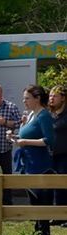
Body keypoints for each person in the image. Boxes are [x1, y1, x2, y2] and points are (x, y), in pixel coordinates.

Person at [12, 84, 55, 235]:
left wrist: (25, 141)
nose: (24, 101)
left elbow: (49, 140)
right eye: (24, 98)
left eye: (27, 98)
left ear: (37, 98)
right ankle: (37, 233)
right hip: (28, 164)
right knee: (34, 201)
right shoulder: (30, 114)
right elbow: (27, 135)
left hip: (40, 165)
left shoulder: (44, 116)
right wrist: (16, 137)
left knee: (42, 201)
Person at [49, 85, 67, 225]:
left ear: (63, 97)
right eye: (50, 96)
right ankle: (58, 215)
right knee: (55, 185)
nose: (51, 98)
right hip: (52, 155)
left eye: (54, 96)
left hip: (65, 155)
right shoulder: (50, 115)